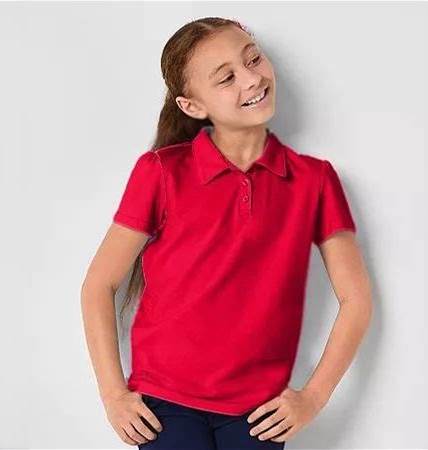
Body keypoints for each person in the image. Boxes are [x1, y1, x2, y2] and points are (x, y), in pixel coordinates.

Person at [80, 17, 373, 450]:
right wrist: (113, 396)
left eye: (252, 59)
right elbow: (98, 285)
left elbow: (356, 298)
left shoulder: (315, 180)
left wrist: (312, 397)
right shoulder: (160, 172)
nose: (252, 79)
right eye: (226, 78)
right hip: (164, 404)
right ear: (191, 106)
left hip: (260, 412)